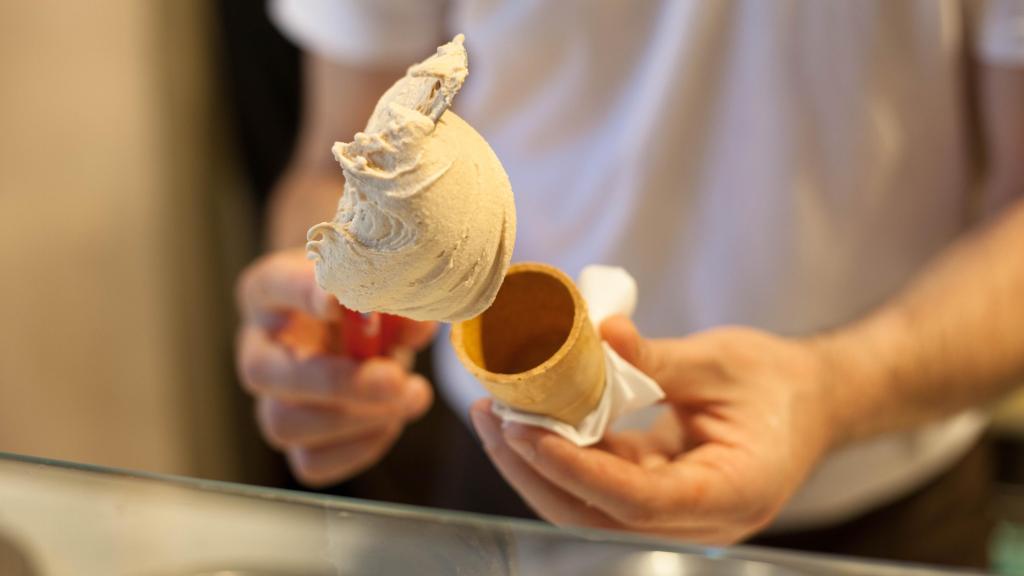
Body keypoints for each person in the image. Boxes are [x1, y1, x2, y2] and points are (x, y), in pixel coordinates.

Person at [235, 0, 1024, 567]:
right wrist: (325, 310)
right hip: (508, 469)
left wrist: (836, 390)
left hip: (884, 485)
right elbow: (332, 161)